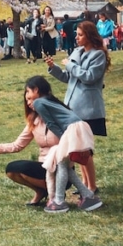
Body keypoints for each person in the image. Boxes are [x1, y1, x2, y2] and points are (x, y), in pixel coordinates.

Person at [0, 76, 101, 212]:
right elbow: (17, 145)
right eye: (27, 100)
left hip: (62, 168)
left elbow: (58, 127)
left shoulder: (54, 111)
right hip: (46, 166)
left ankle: (60, 200)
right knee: (14, 168)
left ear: (36, 90)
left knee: (61, 163)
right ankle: (62, 195)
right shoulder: (34, 121)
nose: (29, 103)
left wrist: (65, 140)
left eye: (29, 97)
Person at [46, 19, 110, 193]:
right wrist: (54, 68)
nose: (77, 37)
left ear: (89, 36)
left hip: (89, 108)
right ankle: (84, 183)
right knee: (77, 147)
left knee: (84, 150)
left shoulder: (98, 55)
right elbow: (69, 77)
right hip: (72, 107)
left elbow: (89, 77)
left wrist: (71, 65)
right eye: (77, 34)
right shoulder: (77, 52)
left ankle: (92, 186)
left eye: (80, 35)